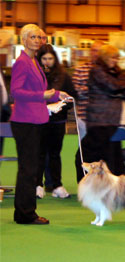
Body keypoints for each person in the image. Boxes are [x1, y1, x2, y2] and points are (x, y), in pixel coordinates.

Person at [10, 24, 71, 224]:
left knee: (30, 168)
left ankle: (24, 212)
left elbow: (39, 88)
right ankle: (25, 214)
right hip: (26, 121)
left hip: (36, 120)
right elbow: (16, 92)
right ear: (24, 40)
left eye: (40, 37)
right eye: (33, 37)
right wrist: (43, 95)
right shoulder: (22, 62)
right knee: (28, 169)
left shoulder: (33, 61)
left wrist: (56, 93)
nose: (37, 40)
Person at [75, 45, 125, 183]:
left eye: (117, 57)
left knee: (111, 154)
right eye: (113, 57)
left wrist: (118, 88)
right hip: (99, 121)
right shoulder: (96, 70)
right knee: (85, 155)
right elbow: (113, 86)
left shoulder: (115, 71)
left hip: (111, 120)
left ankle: (112, 186)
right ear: (105, 57)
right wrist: (119, 89)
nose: (115, 60)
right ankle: (89, 184)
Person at [36, 44, 77, 198]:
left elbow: (72, 98)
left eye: (50, 59)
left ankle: (57, 185)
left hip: (58, 122)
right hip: (39, 120)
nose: (47, 62)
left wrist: (60, 107)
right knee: (39, 153)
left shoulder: (64, 76)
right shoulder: (36, 76)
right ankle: (37, 184)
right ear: (39, 60)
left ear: (55, 59)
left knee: (55, 154)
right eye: (44, 59)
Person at [72, 40, 104, 140]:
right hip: (84, 116)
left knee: (102, 149)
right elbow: (73, 92)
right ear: (90, 52)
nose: (96, 54)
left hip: (103, 118)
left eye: (99, 51)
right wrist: (87, 89)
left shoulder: (107, 71)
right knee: (84, 149)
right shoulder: (80, 70)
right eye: (94, 51)